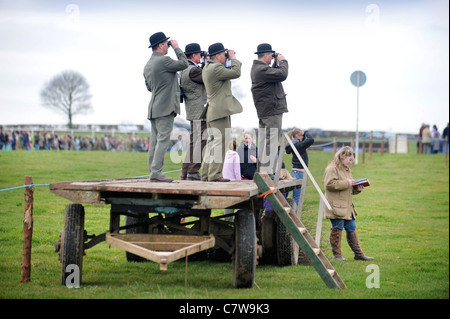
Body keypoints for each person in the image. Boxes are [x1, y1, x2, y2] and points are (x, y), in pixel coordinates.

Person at [143, 32, 188, 182]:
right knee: (162, 140)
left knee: (155, 141)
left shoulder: (148, 64)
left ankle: (153, 171)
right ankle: (156, 173)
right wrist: (177, 48)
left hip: (154, 107)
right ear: (161, 45)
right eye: (167, 44)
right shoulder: (164, 60)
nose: (168, 47)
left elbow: (150, 87)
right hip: (165, 108)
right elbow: (183, 64)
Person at [201, 42, 242, 182]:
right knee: (221, 143)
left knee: (212, 144)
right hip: (219, 112)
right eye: (224, 54)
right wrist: (234, 57)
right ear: (217, 56)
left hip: (213, 112)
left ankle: (206, 175)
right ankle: (214, 175)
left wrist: (229, 60)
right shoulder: (216, 68)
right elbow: (236, 72)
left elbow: (227, 73)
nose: (226, 57)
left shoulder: (208, 67)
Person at [324, 146, 374, 261]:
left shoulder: (346, 169)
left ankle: (358, 254)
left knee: (351, 227)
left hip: (347, 206)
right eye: (350, 160)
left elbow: (348, 188)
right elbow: (329, 185)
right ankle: (337, 255)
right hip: (336, 205)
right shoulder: (332, 168)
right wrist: (347, 183)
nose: (351, 163)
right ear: (342, 156)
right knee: (337, 228)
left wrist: (357, 189)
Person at [250, 43, 288, 177]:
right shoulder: (261, 69)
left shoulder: (259, 68)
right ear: (266, 55)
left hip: (266, 111)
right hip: (271, 111)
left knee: (265, 141)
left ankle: (263, 171)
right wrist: (283, 61)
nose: (272, 58)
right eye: (271, 55)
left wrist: (276, 63)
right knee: (271, 142)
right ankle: (267, 171)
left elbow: (275, 74)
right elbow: (282, 74)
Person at [180, 43, 208, 181]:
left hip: (192, 110)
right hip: (200, 111)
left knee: (193, 142)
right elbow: (208, 77)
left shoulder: (186, 69)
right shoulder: (194, 71)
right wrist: (208, 62)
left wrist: (203, 62)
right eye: (199, 55)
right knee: (202, 140)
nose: (201, 57)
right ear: (194, 55)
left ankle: (185, 171)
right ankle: (193, 171)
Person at [285, 128, 314, 206]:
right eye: (302, 136)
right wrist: (306, 132)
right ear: (297, 136)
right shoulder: (298, 145)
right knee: (297, 197)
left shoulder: (294, 144)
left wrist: (303, 134)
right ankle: (295, 215)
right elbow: (311, 140)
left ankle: (295, 213)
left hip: (297, 172)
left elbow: (304, 140)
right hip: (299, 173)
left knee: (297, 196)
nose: (303, 137)